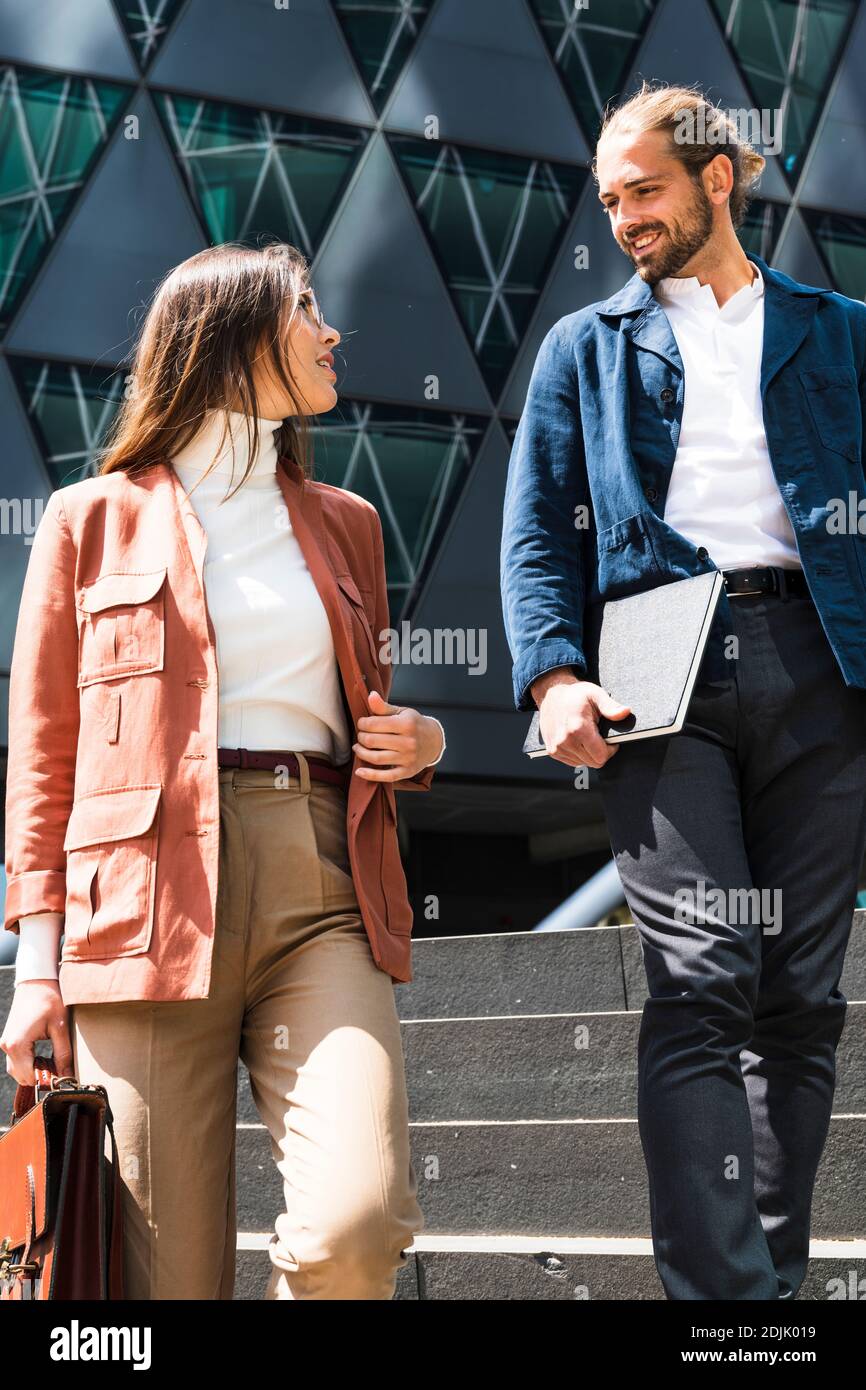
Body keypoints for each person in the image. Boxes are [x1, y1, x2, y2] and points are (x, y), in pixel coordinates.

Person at [1, 240, 447, 1300]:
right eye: (305, 308)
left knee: (357, 1219)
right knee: (162, 1283)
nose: (332, 332)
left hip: (321, 885)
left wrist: (421, 745)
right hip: (140, 912)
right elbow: (46, 754)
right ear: (232, 333)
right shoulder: (86, 519)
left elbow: (368, 708)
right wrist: (33, 969)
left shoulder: (351, 525)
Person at [500, 81, 866, 1301]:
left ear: (718, 178)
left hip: (823, 661)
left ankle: (763, 1290)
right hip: (660, 663)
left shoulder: (840, 330)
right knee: (705, 977)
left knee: (799, 998)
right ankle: (721, 1307)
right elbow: (536, 535)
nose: (623, 219)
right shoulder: (582, 345)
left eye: (643, 190)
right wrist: (553, 675)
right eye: (608, 199)